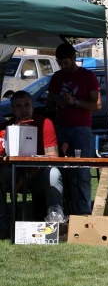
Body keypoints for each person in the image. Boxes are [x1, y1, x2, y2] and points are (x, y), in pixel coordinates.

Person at [46, 42, 101, 215]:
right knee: (60, 171)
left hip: (81, 129)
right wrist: (57, 101)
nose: (63, 67)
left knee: (81, 170)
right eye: (60, 63)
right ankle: (62, 211)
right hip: (61, 128)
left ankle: (84, 211)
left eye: (66, 63)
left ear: (74, 58)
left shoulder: (88, 76)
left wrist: (74, 102)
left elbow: (97, 105)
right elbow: (48, 104)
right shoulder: (57, 77)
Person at [0, 91, 63, 238]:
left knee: (54, 173)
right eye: (19, 106)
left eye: (27, 105)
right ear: (13, 109)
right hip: (12, 174)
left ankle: (55, 224)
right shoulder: (4, 128)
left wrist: (25, 177)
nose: (23, 109)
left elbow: (53, 156)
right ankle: (2, 225)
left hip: (38, 174)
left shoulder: (45, 123)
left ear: (33, 107)